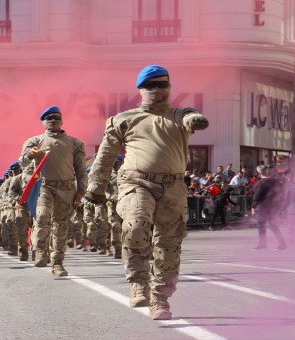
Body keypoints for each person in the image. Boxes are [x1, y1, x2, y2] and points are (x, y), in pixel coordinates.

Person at [85, 65, 209, 320]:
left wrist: (196, 119)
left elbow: (192, 117)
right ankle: (138, 282)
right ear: (140, 90)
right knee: (136, 224)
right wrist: (95, 188)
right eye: (151, 86)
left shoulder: (180, 115)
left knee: (169, 244)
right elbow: (105, 156)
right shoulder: (123, 119)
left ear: (170, 87)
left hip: (173, 186)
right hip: (135, 182)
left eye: (162, 85)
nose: (157, 90)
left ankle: (160, 298)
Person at [19, 105, 87, 277]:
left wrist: (81, 191)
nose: (53, 120)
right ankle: (41, 252)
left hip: (66, 188)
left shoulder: (74, 143)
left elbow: (80, 169)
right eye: (49, 118)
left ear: (62, 121)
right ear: (43, 122)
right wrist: (29, 156)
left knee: (61, 226)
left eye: (56, 117)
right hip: (43, 186)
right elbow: (22, 163)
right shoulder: (34, 142)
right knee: (41, 217)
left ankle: (58, 263)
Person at [251, 165, 287, 251]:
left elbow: (257, 196)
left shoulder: (260, 183)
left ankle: (262, 244)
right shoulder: (276, 182)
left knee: (261, 226)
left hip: (263, 207)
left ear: (259, 173)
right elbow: (281, 194)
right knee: (273, 225)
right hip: (273, 207)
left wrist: (253, 207)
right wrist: (281, 205)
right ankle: (282, 243)